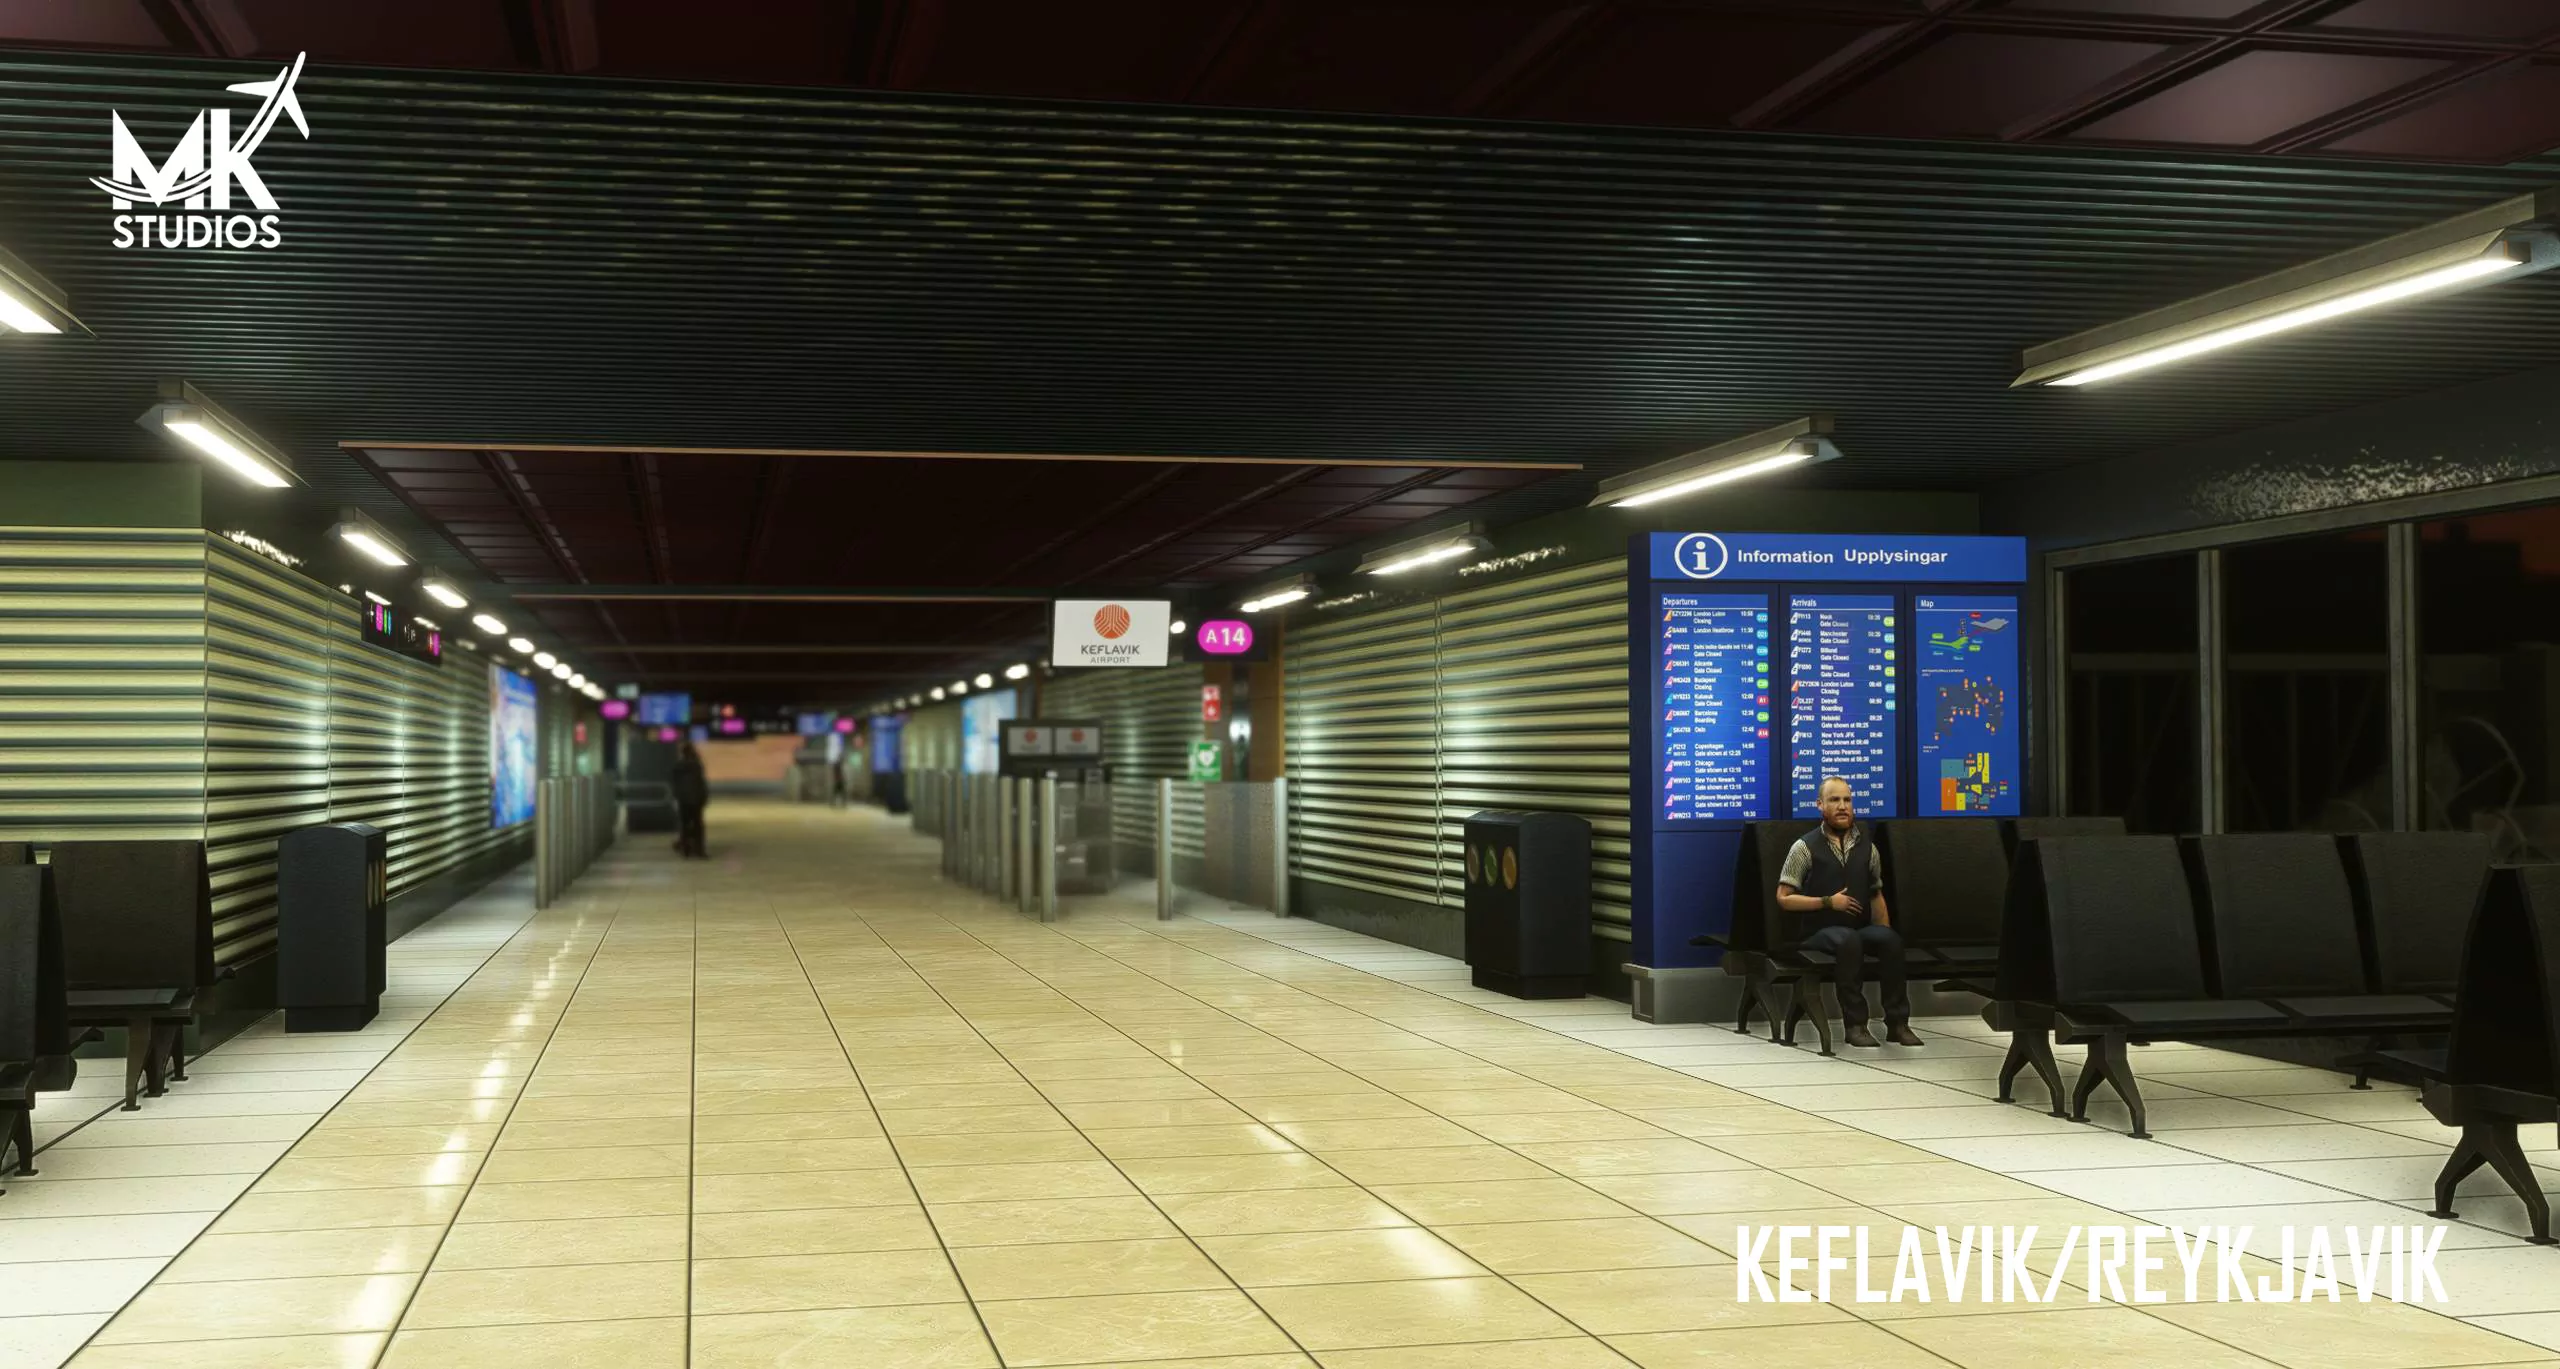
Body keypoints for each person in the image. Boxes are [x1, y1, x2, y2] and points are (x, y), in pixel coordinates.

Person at [1774, 776, 1923, 1048]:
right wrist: (1827, 902)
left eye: (1847, 800)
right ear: (1820, 805)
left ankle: (1897, 1023)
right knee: (1848, 940)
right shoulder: (1804, 847)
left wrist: (1882, 933)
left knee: (1891, 940)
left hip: (1856, 929)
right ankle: (1856, 1025)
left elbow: (1876, 894)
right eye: (1834, 800)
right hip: (1816, 932)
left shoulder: (1868, 848)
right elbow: (1784, 899)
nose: (1842, 806)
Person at [670, 741, 709, 859]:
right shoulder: (697, 766)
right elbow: (700, 783)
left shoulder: (677, 766)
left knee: (684, 824)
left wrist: (676, 796)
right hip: (696, 799)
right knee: (697, 825)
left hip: (683, 800)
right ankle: (699, 850)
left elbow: (674, 783)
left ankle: (685, 849)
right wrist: (704, 798)